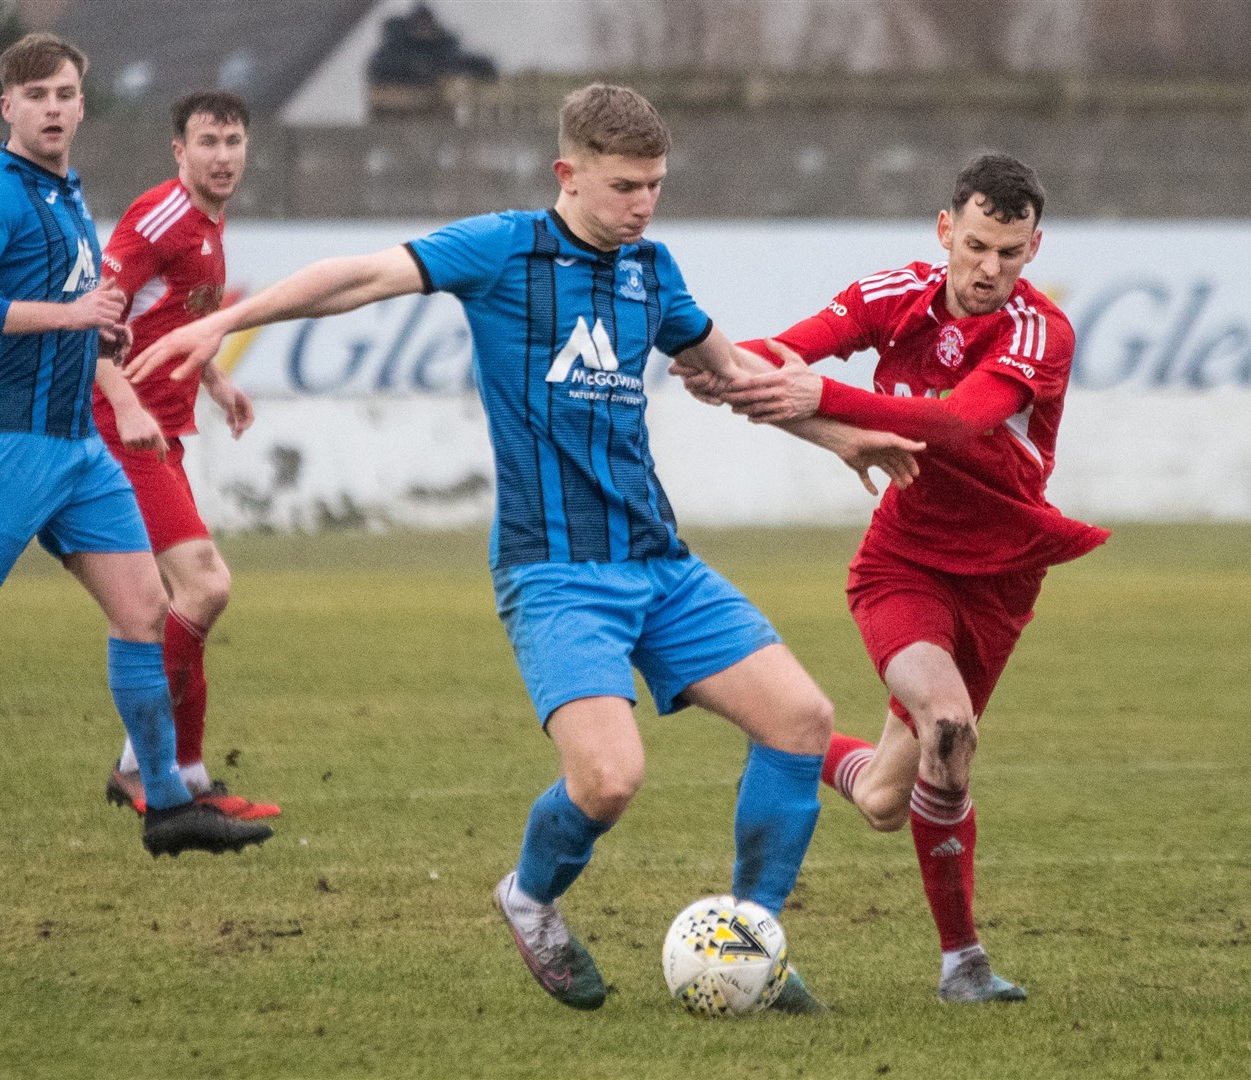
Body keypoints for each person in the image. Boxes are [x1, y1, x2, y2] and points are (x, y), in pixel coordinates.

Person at [124, 83, 922, 1011]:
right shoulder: (504, 250)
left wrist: (840, 436)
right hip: (554, 571)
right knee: (610, 778)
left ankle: (753, 941)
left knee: (801, 721)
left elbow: (734, 375)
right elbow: (359, 276)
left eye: (656, 184)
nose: (644, 203)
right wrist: (225, 321)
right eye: (626, 186)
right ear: (567, 174)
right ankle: (530, 898)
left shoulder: (651, 272)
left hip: (659, 561)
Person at [690, 153, 1111, 1002]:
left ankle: (791, 746)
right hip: (903, 564)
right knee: (949, 731)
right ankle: (964, 965)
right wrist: (727, 369)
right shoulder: (894, 293)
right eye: (979, 245)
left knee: (888, 796)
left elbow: (955, 427)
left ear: (1036, 247)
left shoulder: (1042, 332)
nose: (991, 269)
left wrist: (823, 397)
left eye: (1012, 252)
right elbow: (793, 347)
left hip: (1002, 578)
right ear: (946, 229)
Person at [0, 33, 272, 858]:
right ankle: (169, 788)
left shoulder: (67, 191)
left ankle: (168, 802)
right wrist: (75, 323)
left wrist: (190, 373)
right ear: (10, 107)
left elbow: (114, 314)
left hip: (78, 448)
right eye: (37, 96)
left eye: (67, 93)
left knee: (145, 611)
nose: (56, 108)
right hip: (13, 439)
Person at [92, 90, 279, 821]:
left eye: (234, 141)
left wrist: (216, 378)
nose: (224, 156)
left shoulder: (208, 224)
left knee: (177, 601)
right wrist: (128, 402)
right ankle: (146, 765)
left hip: (161, 435)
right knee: (203, 587)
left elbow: (176, 317)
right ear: (180, 150)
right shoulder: (162, 216)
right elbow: (92, 314)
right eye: (209, 142)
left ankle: (187, 775)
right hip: (118, 430)